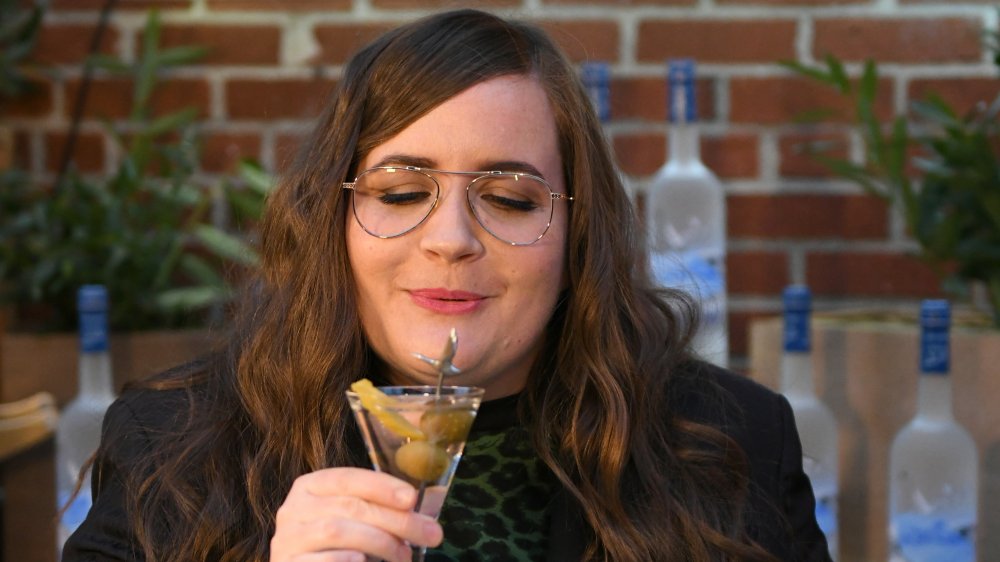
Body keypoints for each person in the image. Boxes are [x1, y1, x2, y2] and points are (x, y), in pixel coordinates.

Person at [63, 8, 831, 562]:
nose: (452, 240)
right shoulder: (173, 449)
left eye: (509, 199)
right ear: (335, 219)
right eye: (399, 193)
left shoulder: (732, 447)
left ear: (576, 232)